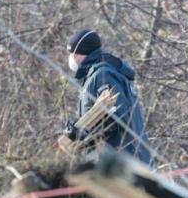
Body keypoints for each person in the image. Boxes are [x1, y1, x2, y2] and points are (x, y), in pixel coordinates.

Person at [60, 29, 152, 165]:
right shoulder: (93, 75)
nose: (71, 58)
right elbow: (97, 116)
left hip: (123, 162)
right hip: (108, 161)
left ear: (85, 53)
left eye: (74, 53)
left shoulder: (104, 75)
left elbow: (117, 119)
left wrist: (84, 137)